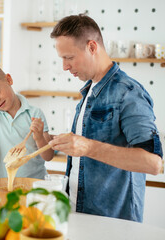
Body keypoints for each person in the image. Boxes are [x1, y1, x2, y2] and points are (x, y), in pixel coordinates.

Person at [48, 14, 163, 222]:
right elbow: (87, 148)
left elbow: (153, 163)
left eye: (69, 57)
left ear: (92, 47)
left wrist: (87, 147)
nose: (65, 66)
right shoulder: (89, 90)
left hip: (113, 224)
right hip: (77, 215)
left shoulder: (129, 93)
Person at [0, 62, 54, 196]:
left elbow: (48, 156)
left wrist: (38, 137)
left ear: (9, 80)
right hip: (6, 190)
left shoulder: (35, 114)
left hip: (36, 190)